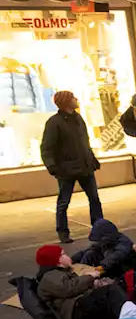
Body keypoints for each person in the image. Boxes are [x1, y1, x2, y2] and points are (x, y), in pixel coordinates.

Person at [41, 90, 103, 244]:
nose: (76, 100)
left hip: (84, 165)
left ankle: (99, 228)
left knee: (94, 198)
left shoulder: (78, 118)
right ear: (66, 102)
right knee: (64, 201)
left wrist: (91, 158)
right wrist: (53, 167)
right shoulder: (54, 123)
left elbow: (84, 142)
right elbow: (47, 147)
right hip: (66, 169)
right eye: (73, 98)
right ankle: (62, 232)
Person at [34, 245, 127, 319]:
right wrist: (90, 277)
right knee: (110, 291)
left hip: (79, 311)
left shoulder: (59, 273)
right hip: (76, 313)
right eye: (64, 254)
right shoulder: (49, 277)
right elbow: (69, 289)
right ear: (58, 260)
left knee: (114, 306)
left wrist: (94, 284)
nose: (68, 256)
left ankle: (132, 318)